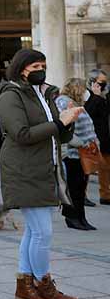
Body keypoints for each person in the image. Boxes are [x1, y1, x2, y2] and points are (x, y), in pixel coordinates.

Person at [0, 48, 81, 299]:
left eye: (43, 65)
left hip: (45, 169)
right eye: (35, 66)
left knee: (34, 231)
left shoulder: (44, 93)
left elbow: (59, 134)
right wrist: (58, 124)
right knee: (42, 232)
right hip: (24, 170)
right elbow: (21, 133)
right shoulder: (10, 95)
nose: (41, 70)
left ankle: (25, 286)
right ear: (21, 68)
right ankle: (43, 283)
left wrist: (68, 121)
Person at [57, 78, 98, 231]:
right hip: (73, 153)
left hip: (82, 152)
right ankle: (73, 217)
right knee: (74, 187)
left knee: (80, 187)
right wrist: (81, 143)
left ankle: (81, 217)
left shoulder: (75, 103)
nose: (85, 92)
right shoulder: (64, 102)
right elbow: (64, 128)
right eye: (83, 88)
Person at [85, 69, 110, 206]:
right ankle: (82, 195)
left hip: (105, 137)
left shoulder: (105, 95)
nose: (104, 85)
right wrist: (96, 97)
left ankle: (105, 195)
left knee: (105, 168)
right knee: (88, 167)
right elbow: (88, 113)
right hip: (92, 137)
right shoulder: (88, 95)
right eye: (101, 82)